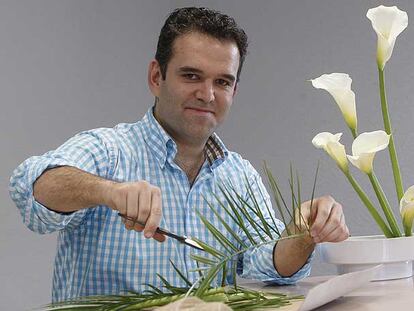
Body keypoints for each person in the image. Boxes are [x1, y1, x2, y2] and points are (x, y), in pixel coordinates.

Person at [9, 7, 349, 303]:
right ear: (157, 77)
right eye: (191, 76)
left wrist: (303, 234)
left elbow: (269, 265)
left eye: (223, 82)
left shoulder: (239, 176)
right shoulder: (109, 150)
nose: (207, 94)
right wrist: (109, 192)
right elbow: (32, 187)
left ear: (234, 91)